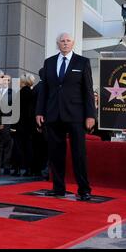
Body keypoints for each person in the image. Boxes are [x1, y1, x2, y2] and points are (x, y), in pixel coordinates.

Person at [35, 33, 96, 201]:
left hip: (76, 115)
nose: (65, 43)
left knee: (79, 153)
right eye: (62, 41)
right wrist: (39, 112)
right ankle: (58, 188)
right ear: (58, 44)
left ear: (73, 43)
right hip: (53, 115)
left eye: (68, 41)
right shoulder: (49, 63)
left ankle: (84, 189)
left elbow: (88, 91)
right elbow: (44, 90)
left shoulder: (82, 62)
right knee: (55, 154)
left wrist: (91, 115)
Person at [12, 73, 35, 176]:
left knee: (18, 146)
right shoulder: (32, 93)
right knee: (29, 146)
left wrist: (13, 126)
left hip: (20, 124)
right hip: (30, 125)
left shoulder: (19, 94)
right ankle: (29, 169)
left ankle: (18, 168)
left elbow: (15, 111)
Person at [0, 74, 13, 175]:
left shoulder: (13, 93)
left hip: (7, 122)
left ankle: (6, 166)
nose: (4, 81)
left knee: (7, 144)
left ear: (9, 82)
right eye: (3, 79)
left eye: (7, 80)